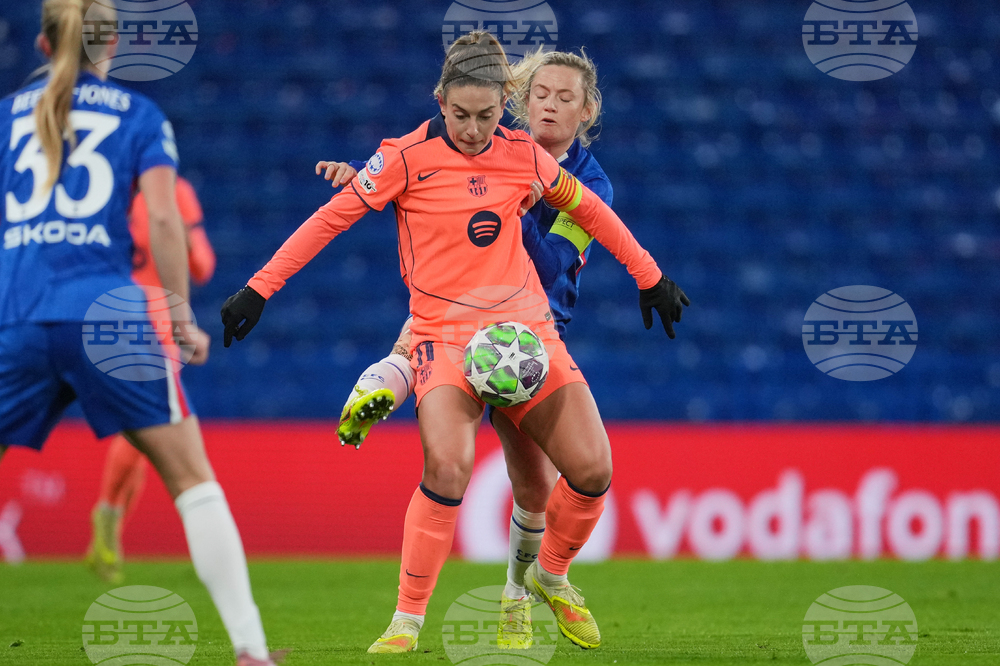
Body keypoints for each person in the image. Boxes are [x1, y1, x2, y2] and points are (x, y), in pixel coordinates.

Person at [221, 31, 688, 654]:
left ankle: (548, 576)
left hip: (528, 332)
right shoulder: (405, 157)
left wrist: (650, 276)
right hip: (443, 336)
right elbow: (331, 218)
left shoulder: (524, 155)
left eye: (487, 116)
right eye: (460, 115)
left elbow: (591, 214)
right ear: (440, 100)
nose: (472, 130)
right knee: (446, 466)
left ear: (504, 106)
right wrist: (259, 288)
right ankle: (406, 622)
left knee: (592, 470)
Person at [0, 2, 280, 664]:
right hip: (110, 317)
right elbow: (162, 220)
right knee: (192, 480)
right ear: (114, 44)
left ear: (43, 44)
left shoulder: (7, 116)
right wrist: (179, 314)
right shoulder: (140, 117)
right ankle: (251, 649)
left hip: (19, 313)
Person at [318, 47, 617, 650]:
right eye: (541, 95)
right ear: (521, 99)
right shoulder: (487, 137)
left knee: (535, 486)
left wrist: (519, 202)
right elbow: (420, 156)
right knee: (430, 345)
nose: (550, 107)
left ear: (587, 112)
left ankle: (517, 591)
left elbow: (554, 261)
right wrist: (363, 170)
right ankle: (385, 379)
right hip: (461, 319)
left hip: (530, 339)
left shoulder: (589, 184)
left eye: (566, 99)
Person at [87, 176, 217, 583]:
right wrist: (183, 236)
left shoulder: (101, 191)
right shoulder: (175, 192)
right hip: (152, 322)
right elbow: (202, 267)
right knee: (148, 429)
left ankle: (108, 532)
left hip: (104, 315)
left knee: (141, 441)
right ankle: (107, 515)